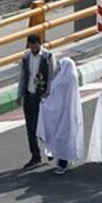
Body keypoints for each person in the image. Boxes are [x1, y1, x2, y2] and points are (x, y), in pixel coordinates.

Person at [37, 57, 84, 175]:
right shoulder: (63, 78)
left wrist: (47, 103)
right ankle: (64, 159)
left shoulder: (66, 79)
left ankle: (63, 162)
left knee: (63, 137)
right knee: (63, 137)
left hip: (64, 113)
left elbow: (58, 97)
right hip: (64, 113)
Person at [18, 33, 55, 169]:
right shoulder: (26, 57)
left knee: (46, 126)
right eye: (31, 46)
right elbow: (23, 76)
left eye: (35, 45)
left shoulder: (48, 57)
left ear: (40, 44)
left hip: (43, 97)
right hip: (29, 96)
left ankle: (51, 149)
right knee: (30, 128)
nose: (33, 48)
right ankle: (35, 156)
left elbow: (51, 76)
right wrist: (19, 94)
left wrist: (48, 94)